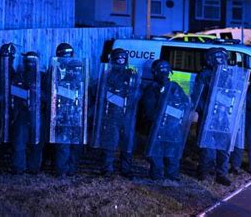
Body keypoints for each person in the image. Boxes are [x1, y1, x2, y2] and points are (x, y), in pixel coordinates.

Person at [92, 48, 140, 179]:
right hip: (111, 115)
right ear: (113, 60)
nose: (120, 61)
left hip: (127, 115)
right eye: (118, 59)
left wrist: (132, 97)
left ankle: (126, 169)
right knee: (109, 143)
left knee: (127, 143)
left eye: (122, 59)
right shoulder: (107, 75)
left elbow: (137, 92)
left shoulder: (132, 75)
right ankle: (107, 168)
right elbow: (99, 92)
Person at [141, 59, 192, 183]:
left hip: (173, 127)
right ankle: (157, 175)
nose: (164, 72)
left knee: (172, 152)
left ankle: (172, 175)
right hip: (158, 126)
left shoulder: (174, 86)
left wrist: (177, 113)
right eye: (160, 69)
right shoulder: (151, 88)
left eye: (166, 69)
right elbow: (149, 109)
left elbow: (184, 103)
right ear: (154, 72)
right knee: (156, 152)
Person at [49, 43, 87, 177]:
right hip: (62, 114)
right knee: (62, 144)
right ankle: (62, 171)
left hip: (76, 115)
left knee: (76, 145)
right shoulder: (54, 74)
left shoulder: (80, 80)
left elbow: (84, 96)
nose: (73, 72)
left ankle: (72, 170)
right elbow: (52, 93)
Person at [196, 47, 233, 186]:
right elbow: (198, 97)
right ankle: (204, 172)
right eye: (217, 57)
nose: (221, 60)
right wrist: (205, 111)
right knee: (207, 148)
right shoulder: (204, 75)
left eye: (222, 57)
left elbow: (233, 93)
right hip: (208, 116)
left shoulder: (227, 74)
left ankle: (221, 174)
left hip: (223, 117)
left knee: (224, 147)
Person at [10, 51, 43, 174]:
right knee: (19, 141)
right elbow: (14, 92)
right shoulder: (20, 76)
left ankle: (34, 168)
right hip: (22, 113)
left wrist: (37, 94)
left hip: (38, 113)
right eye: (28, 61)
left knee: (37, 142)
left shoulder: (42, 77)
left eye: (32, 61)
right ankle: (19, 168)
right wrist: (29, 94)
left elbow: (49, 95)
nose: (30, 64)